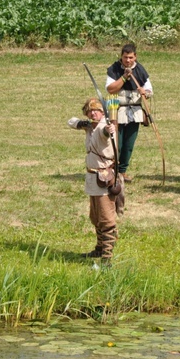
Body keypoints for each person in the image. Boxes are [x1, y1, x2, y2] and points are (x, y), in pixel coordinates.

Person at [68, 97, 121, 262]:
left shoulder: (102, 127)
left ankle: (107, 257)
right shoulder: (90, 127)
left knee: (106, 219)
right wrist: (85, 124)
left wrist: (109, 128)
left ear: (103, 112)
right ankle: (99, 249)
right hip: (93, 178)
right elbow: (70, 121)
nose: (93, 113)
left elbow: (106, 131)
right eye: (90, 110)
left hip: (103, 179)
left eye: (96, 110)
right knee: (95, 216)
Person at [105, 43, 152, 183]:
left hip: (135, 112)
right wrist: (124, 77)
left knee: (129, 144)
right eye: (125, 57)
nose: (128, 60)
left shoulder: (140, 69)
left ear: (135, 57)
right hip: (117, 111)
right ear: (122, 57)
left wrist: (145, 93)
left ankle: (123, 172)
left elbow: (149, 90)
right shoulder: (115, 69)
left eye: (131, 57)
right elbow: (111, 89)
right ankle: (113, 171)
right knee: (116, 144)